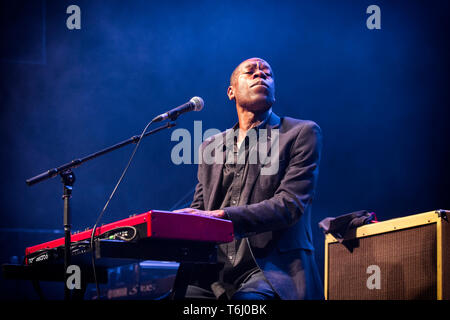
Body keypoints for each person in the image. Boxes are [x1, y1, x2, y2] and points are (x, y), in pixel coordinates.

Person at [174, 57, 323, 300]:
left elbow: (290, 204)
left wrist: (224, 215)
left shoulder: (300, 133)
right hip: (214, 275)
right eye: (250, 72)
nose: (260, 75)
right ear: (231, 92)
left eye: (267, 73)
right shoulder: (210, 146)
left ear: (274, 91)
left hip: (271, 272)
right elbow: (200, 208)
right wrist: (168, 223)